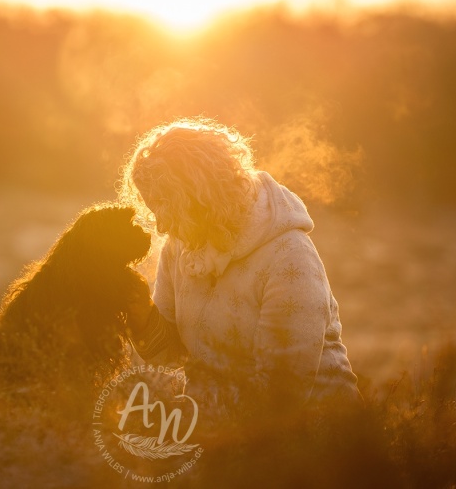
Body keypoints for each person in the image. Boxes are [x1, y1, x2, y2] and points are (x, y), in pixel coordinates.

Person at [120, 117, 360, 411]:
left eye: (165, 205)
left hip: (317, 439)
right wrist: (141, 315)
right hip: (220, 429)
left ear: (199, 196)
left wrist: (199, 424)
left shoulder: (289, 256)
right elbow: (174, 354)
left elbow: (283, 393)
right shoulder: (180, 247)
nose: (160, 226)